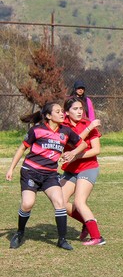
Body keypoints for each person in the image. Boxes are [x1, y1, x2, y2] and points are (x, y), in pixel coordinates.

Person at [5, 101, 87, 250]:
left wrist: (73, 153)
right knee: (27, 204)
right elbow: (22, 148)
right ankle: (19, 233)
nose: (62, 113)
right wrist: (11, 169)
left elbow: (83, 144)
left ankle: (62, 240)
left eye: (62, 111)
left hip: (50, 175)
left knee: (60, 203)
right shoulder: (37, 130)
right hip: (31, 172)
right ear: (49, 116)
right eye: (58, 111)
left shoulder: (66, 131)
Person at [61, 97, 105, 246]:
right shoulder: (63, 126)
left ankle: (97, 237)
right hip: (71, 169)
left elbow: (96, 150)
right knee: (60, 201)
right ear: (67, 112)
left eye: (81, 108)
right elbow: (73, 142)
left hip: (88, 167)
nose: (79, 111)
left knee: (79, 202)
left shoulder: (88, 125)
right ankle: (87, 221)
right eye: (75, 109)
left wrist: (76, 156)